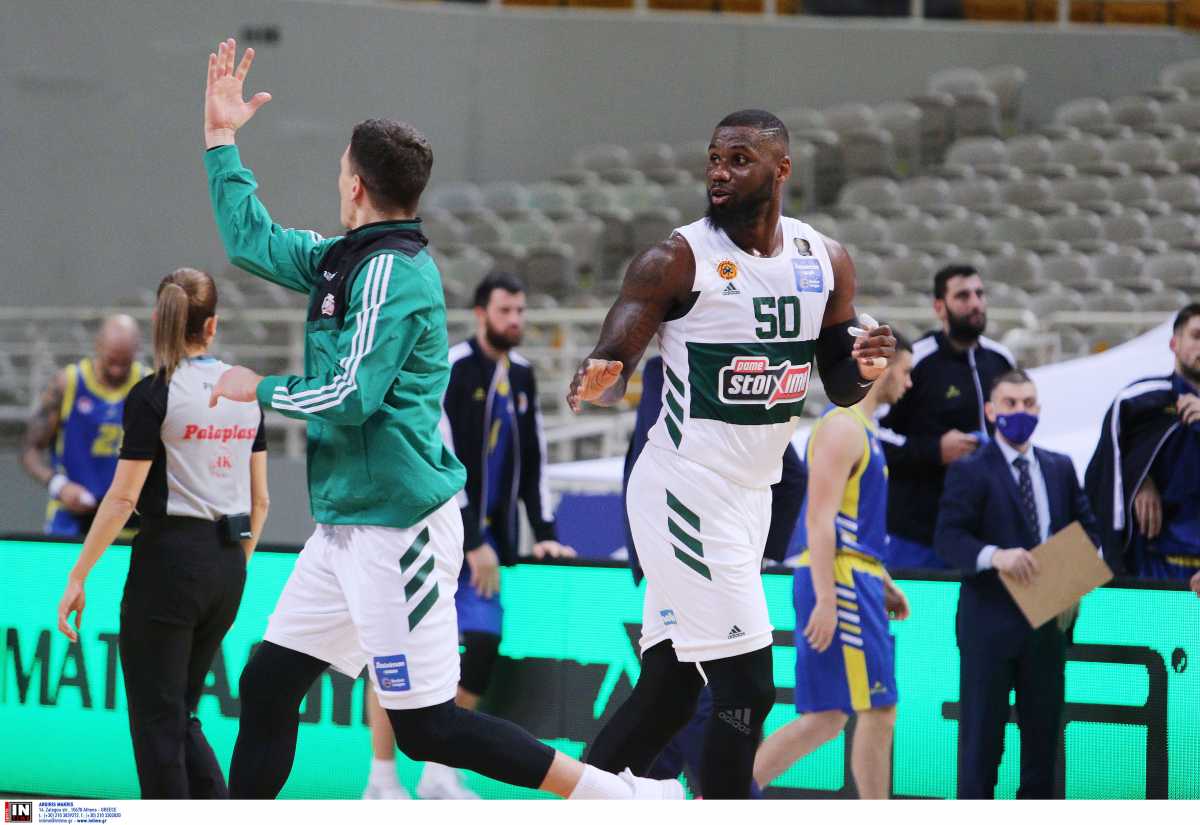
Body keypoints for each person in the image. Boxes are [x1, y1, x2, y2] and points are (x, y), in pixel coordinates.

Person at [200, 38, 677, 801]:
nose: (336, 180)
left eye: (339, 170)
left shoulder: (394, 274)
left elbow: (350, 394)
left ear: (356, 184)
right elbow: (251, 241)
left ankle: (618, 796)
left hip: (401, 530)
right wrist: (221, 140)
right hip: (345, 523)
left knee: (429, 727)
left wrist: (256, 386)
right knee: (266, 683)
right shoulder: (345, 258)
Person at [569, 108, 896, 799]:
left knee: (670, 687)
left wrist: (865, 368)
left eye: (739, 160)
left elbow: (839, 381)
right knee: (747, 685)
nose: (720, 172)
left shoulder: (824, 259)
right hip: (683, 487)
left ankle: (579, 803)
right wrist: (603, 375)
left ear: (782, 170)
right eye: (715, 159)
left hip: (750, 495)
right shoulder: (675, 259)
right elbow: (617, 351)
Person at [56, 268, 269, 798]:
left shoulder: (154, 393)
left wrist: (79, 575)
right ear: (212, 326)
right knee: (179, 716)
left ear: (159, 320)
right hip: (227, 566)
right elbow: (261, 500)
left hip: (170, 565)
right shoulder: (246, 388)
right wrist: (234, 564)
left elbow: (122, 499)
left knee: (158, 725)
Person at [362, 271, 576, 800]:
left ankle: (438, 772)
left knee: (479, 647)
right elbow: (439, 457)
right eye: (506, 311)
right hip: (431, 536)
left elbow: (534, 457)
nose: (515, 320)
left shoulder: (521, 376)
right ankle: (381, 778)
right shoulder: (453, 368)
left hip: (486, 547)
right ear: (481, 314)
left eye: (521, 311)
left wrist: (544, 531)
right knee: (394, 656)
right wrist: (473, 539)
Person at [619, 354, 806, 796]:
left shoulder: (687, 364)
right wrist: (754, 559)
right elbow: (794, 476)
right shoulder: (697, 366)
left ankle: (621, 792)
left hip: (685, 541)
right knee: (728, 695)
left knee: (673, 694)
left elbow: (794, 475)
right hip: (693, 540)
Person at [753, 333, 914, 799]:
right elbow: (819, 520)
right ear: (882, 367)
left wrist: (882, 579)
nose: (909, 382)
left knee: (825, 717)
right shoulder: (843, 427)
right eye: (905, 371)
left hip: (853, 575)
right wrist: (827, 598)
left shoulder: (860, 429)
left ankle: (725, 794)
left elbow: (847, 521)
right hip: (841, 581)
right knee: (878, 709)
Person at [934, 370, 1100, 799]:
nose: (1020, 411)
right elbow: (948, 538)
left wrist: (1070, 583)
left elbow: (1089, 530)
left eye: (1028, 403)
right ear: (991, 411)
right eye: (1010, 403)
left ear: (1039, 409)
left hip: (1047, 627)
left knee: (1043, 752)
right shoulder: (970, 470)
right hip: (989, 628)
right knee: (981, 752)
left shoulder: (1059, 467)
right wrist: (995, 555)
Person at [879, 264, 1016, 570]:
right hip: (918, 531)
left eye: (979, 294)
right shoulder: (916, 361)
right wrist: (934, 450)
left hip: (982, 529)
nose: (975, 303)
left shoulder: (1001, 360)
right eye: (963, 296)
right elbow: (876, 434)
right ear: (939, 307)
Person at [1085, 303, 1200, 590]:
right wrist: (1138, 480)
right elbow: (1104, 474)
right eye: (1196, 336)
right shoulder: (1137, 402)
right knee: (1152, 624)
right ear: (1174, 344)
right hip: (1155, 563)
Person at [21, 314, 144, 537]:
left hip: (128, 519)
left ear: (137, 351)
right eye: (111, 361)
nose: (117, 370)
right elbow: (30, 450)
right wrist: (59, 485)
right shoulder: (68, 383)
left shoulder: (147, 386)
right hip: (71, 518)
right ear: (98, 346)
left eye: (124, 362)